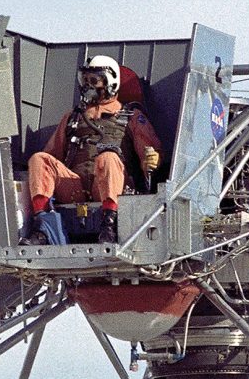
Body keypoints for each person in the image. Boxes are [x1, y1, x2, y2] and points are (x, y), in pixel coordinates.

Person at [24, 55, 161, 245]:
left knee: (108, 158)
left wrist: (152, 159)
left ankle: (109, 226)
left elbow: (150, 152)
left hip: (112, 187)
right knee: (39, 159)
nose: (88, 85)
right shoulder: (73, 118)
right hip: (75, 188)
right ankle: (43, 226)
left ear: (110, 82)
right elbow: (51, 156)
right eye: (85, 80)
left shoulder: (131, 116)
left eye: (94, 80)